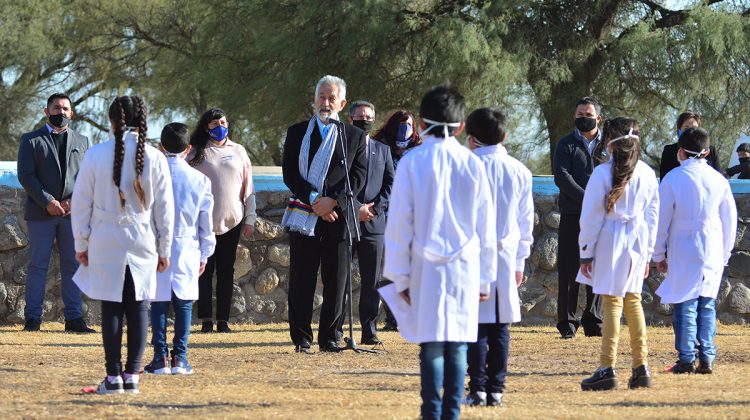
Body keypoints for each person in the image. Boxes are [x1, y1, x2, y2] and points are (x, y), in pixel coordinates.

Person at [383, 83, 497, 420]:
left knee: (432, 343)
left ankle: (431, 412)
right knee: (459, 341)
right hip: (464, 265)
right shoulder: (472, 163)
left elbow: (399, 222)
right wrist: (485, 279)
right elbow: (485, 226)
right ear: (461, 126)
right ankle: (452, 413)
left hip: (424, 265)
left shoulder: (412, 163)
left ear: (420, 124)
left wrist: (399, 275)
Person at [71, 95, 174, 394]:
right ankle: (132, 375)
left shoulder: (95, 154)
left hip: (105, 236)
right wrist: (165, 248)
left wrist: (82, 241)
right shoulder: (154, 156)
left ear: (112, 120)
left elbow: (81, 203)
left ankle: (113, 376)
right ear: (143, 120)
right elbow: (165, 209)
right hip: (142, 236)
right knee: (139, 305)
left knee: (112, 306)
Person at [281, 75, 367, 353]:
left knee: (337, 280)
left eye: (331, 98)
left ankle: (330, 337)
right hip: (305, 215)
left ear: (342, 103)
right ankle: (302, 339)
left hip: (337, 218)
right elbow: (290, 173)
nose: (325, 103)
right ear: (314, 98)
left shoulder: (353, 136)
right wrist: (314, 200)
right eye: (321, 96)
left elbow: (358, 177)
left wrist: (334, 202)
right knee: (301, 280)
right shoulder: (297, 133)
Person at [575, 118, 659, 391]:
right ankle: (641, 366)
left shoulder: (601, 174)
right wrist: (647, 253)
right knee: (633, 302)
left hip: (611, 241)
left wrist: (585, 251)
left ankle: (607, 366)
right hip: (637, 240)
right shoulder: (647, 173)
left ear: (610, 142)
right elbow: (652, 216)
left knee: (612, 303)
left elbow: (591, 217)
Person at [463, 108, 534, 407]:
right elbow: (525, 221)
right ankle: (497, 389)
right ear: (504, 136)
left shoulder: (465, 166)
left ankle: (477, 387)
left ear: (471, 138)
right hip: (505, 255)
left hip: (472, 254)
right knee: (501, 324)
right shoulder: (519, 170)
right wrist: (521, 260)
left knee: (476, 324)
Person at [654, 127, 737, 375]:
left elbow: (661, 220)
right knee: (707, 303)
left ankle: (687, 357)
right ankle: (707, 357)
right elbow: (729, 220)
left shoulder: (672, 179)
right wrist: (725, 253)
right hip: (712, 246)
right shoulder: (719, 180)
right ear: (707, 152)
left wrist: (658, 254)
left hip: (683, 246)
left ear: (680, 151)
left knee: (685, 303)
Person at [16, 93, 94, 333]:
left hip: (72, 214)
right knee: (38, 266)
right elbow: (26, 175)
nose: (61, 112)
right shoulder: (30, 140)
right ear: (46, 111)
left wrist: (72, 201)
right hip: (41, 213)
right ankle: (32, 319)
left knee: (72, 265)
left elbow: (86, 176)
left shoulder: (83, 141)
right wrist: (48, 201)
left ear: (71, 113)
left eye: (65, 109)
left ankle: (74, 319)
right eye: (56, 108)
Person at [144, 123, 216, 375]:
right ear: (188, 149)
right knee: (184, 302)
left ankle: (160, 357)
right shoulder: (200, 180)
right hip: (187, 246)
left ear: (160, 147)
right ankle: (180, 358)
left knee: (159, 301)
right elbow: (205, 223)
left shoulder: (149, 177)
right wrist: (206, 252)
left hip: (156, 246)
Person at [189, 108, 256, 333]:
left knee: (227, 270)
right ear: (206, 126)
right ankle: (206, 320)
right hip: (203, 222)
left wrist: (250, 218)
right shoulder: (195, 151)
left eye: (224, 122)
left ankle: (223, 321)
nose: (220, 126)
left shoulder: (238, 151)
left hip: (233, 220)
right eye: (215, 123)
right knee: (204, 270)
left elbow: (248, 188)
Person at [553, 97, 604, 339]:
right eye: (580, 113)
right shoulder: (566, 144)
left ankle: (594, 321)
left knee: (599, 267)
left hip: (604, 217)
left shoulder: (610, 145)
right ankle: (568, 322)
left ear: (598, 118)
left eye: (588, 113)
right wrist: (588, 199)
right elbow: (562, 176)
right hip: (573, 213)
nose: (584, 117)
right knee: (569, 268)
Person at [345, 100, 394, 345]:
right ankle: (334, 331)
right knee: (340, 280)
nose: (365, 120)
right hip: (346, 223)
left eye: (369, 116)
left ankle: (369, 330)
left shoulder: (382, 150)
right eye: (360, 116)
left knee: (372, 282)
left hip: (374, 225)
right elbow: (335, 183)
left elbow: (391, 183)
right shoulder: (341, 149)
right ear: (350, 119)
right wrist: (356, 209)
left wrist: (374, 208)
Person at [371, 109, 421, 331]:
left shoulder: (419, 151)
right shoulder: (379, 148)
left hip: (413, 220)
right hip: (385, 217)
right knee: (390, 271)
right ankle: (392, 318)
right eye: (401, 124)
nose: (405, 129)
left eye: (408, 124)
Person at [659, 111, 720, 180]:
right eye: (686, 128)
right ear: (679, 131)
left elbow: (717, 177)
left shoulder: (710, 151)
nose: (691, 132)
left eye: (694, 128)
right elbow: (664, 180)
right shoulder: (669, 150)